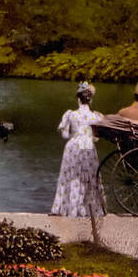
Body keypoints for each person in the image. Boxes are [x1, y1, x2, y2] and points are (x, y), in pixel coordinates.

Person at [51, 81, 105, 218]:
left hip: (73, 146)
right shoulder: (96, 116)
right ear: (90, 99)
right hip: (88, 146)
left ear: (78, 98)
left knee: (70, 177)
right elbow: (97, 137)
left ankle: (67, 208)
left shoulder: (70, 115)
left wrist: (74, 135)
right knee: (89, 177)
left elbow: (64, 135)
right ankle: (89, 209)